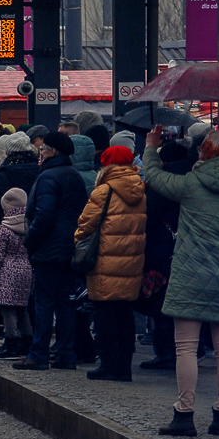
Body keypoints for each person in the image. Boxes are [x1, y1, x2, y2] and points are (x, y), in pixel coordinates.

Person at [144, 126, 219, 437]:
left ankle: (184, 414)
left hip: (190, 276)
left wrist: (151, 148)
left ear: (203, 153)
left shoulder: (190, 184)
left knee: (185, 347)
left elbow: (154, 177)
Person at [15, 131, 88, 371]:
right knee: (66, 302)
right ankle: (66, 353)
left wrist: (30, 241)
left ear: (53, 152)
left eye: (43, 150)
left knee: (44, 302)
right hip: (69, 247)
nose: (40, 154)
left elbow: (44, 215)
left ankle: (38, 354)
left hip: (48, 249)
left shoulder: (48, 177)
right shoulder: (74, 175)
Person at [74, 145, 146, 381]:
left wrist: (77, 241)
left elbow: (86, 224)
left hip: (105, 261)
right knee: (125, 314)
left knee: (105, 314)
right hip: (132, 261)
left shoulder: (104, 190)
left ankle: (108, 364)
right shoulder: (140, 189)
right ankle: (124, 367)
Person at [138, 141, 189, 371]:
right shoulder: (193, 179)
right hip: (188, 246)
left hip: (163, 247)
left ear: (164, 161)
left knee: (161, 300)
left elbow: (150, 217)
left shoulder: (163, 182)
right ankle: (189, 347)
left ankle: (166, 351)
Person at [0, 188, 33, 361]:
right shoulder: (29, 226)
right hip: (26, 269)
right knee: (22, 309)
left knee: (7, 309)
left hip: (7, 271)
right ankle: (27, 341)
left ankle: (11, 341)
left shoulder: (3, 229)